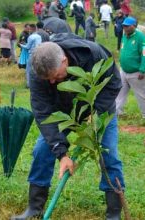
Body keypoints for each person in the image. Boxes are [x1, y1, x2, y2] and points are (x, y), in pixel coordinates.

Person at [11, 34, 125, 220]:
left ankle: (114, 213)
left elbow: (114, 84)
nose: (52, 82)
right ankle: (34, 208)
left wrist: (96, 113)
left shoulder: (94, 54)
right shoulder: (38, 70)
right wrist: (62, 154)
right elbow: (43, 112)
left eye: (55, 77)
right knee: (42, 151)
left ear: (65, 61)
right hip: (63, 113)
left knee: (109, 155)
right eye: (48, 79)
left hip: (98, 111)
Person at [116, 17, 145, 119]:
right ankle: (117, 112)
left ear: (134, 26)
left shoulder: (141, 37)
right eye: (124, 26)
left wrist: (143, 69)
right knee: (120, 92)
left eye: (127, 26)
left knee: (142, 94)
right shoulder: (124, 36)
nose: (125, 28)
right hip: (123, 70)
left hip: (136, 72)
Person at [19, 24, 42, 88]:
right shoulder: (39, 36)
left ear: (31, 29)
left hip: (32, 54)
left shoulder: (31, 37)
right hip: (38, 54)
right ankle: (37, 83)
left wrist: (21, 45)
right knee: (36, 70)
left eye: (30, 29)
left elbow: (27, 47)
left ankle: (28, 84)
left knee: (28, 70)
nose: (29, 30)